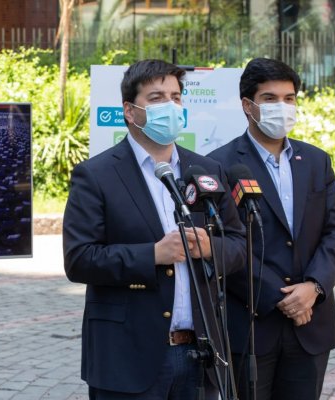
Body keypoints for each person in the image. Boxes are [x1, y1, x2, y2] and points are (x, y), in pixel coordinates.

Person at [63, 59, 246, 400]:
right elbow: (79, 259)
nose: (171, 106)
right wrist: (152, 255)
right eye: (158, 97)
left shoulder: (206, 169)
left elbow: (237, 244)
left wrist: (209, 247)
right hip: (127, 358)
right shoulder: (96, 175)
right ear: (130, 112)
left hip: (201, 355)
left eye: (176, 97)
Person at [207, 57, 335, 400]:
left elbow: (334, 231)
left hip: (311, 323)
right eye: (270, 99)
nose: (282, 107)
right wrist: (280, 298)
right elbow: (222, 243)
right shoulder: (219, 165)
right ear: (247, 105)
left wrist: (313, 287)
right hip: (251, 326)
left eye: (289, 98)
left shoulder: (316, 161)